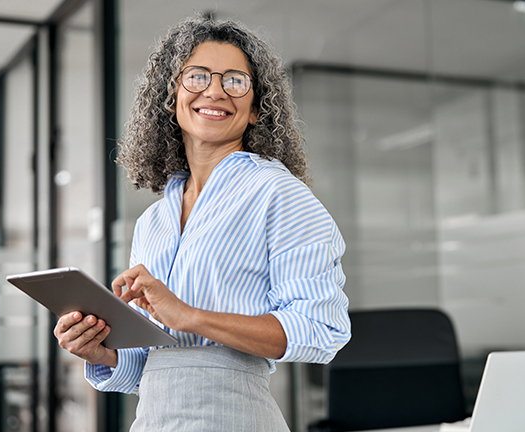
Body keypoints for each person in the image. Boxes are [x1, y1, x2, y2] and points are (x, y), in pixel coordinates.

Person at [52, 14, 351, 431]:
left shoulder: (279, 195)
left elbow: (321, 330)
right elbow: (159, 365)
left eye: (235, 80)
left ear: (255, 109)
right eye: (196, 76)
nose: (214, 90)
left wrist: (189, 315)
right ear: (170, 98)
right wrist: (102, 351)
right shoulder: (154, 221)